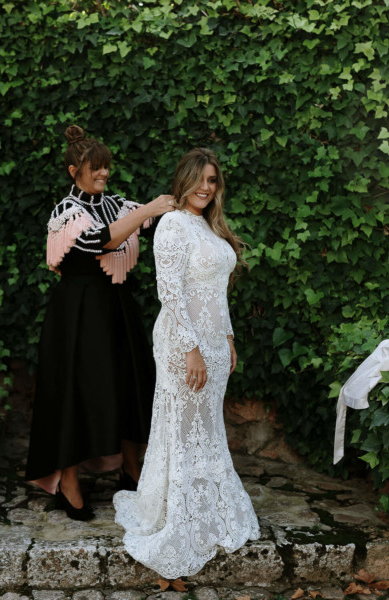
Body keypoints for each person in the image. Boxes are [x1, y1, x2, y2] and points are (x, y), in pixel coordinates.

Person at [113, 148, 260, 578]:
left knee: (207, 426)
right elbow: (171, 292)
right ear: (184, 179)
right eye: (199, 178)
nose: (205, 187)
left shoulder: (209, 228)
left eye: (213, 180)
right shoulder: (173, 224)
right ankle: (178, 516)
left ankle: (209, 511)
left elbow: (217, 292)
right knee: (183, 426)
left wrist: (228, 339)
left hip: (215, 342)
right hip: (183, 342)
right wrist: (191, 348)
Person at [24, 125, 174, 521]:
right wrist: (148, 210)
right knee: (76, 390)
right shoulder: (66, 212)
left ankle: (131, 467)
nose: (104, 174)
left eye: (106, 167)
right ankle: (68, 482)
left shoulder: (119, 204)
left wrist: (179, 202)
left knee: (130, 382)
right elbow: (99, 243)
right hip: (76, 313)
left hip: (117, 309)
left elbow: (156, 223)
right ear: (75, 171)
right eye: (95, 168)